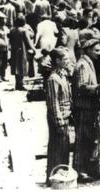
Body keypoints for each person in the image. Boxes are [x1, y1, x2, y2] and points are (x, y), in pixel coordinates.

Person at [72, 39, 100, 182]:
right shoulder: (83, 65)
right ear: (88, 50)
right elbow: (82, 87)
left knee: (90, 139)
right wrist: (99, 88)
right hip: (84, 107)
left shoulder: (88, 62)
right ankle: (80, 170)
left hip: (89, 107)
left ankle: (89, 169)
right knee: (83, 140)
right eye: (96, 50)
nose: (99, 53)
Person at [44, 47, 72, 186]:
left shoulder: (63, 74)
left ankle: (61, 176)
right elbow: (53, 102)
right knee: (57, 148)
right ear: (57, 60)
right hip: (58, 118)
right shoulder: (53, 79)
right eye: (65, 59)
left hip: (65, 115)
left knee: (64, 148)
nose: (68, 61)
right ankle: (53, 177)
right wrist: (59, 122)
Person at [8, 15, 36, 90]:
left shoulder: (12, 30)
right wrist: (34, 49)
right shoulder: (24, 30)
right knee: (21, 67)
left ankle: (17, 84)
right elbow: (28, 41)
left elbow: (10, 41)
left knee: (15, 67)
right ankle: (20, 84)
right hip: (21, 50)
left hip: (14, 50)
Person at [0, 12, 9, 82]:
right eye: (2, 20)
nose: (4, 21)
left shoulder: (5, 28)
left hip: (5, 47)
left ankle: (3, 75)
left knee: (4, 62)